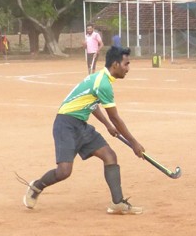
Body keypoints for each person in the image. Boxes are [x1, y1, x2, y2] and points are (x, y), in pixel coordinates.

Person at [21, 46, 145, 214]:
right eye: (126, 64)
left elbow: (91, 104)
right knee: (64, 171)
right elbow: (116, 117)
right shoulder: (103, 83)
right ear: (115, 64)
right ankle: (37, 186)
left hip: (81, 125)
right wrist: (134, 143)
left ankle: (118, 203)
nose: (128, 69)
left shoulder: (99, 78)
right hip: (65, 124)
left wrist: (107, 125)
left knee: (109, 156)